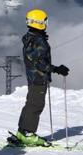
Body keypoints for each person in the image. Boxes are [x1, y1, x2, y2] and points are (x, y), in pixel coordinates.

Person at [8, 9, 69, 147]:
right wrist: (56, 69)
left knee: (31, 103)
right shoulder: (38, 41)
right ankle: (28, 133)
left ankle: (22, 131)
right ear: (39, 23)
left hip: (33, 76)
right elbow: (39, 63)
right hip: (38, 77)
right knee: (36, 104)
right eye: (45, 21)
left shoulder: (31, 38)